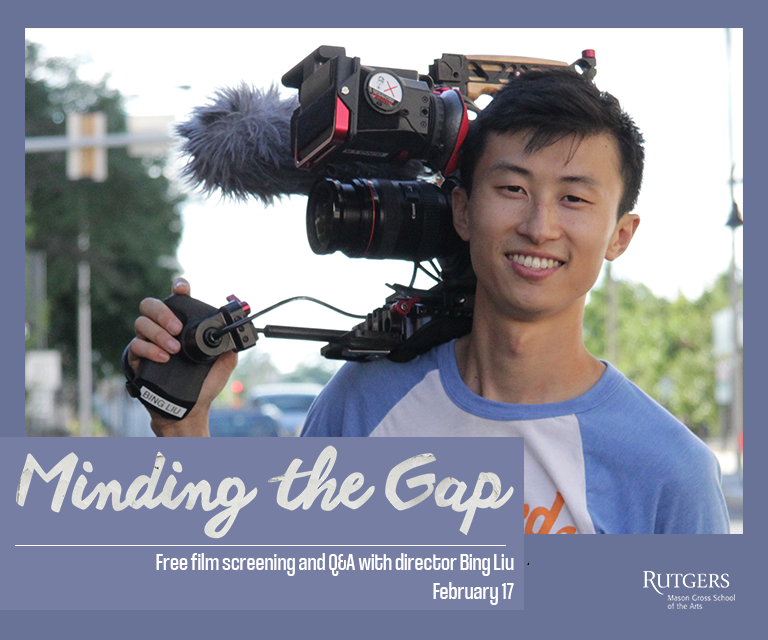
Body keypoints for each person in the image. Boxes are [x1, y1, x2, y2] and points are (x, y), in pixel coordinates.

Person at [128, 69, 729, 533]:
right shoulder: (364, 403)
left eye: (574, 199)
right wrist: (184, 430)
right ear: (463, 210)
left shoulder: (669, 473)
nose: (539, 226)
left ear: (620, 235)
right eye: (512, 188)